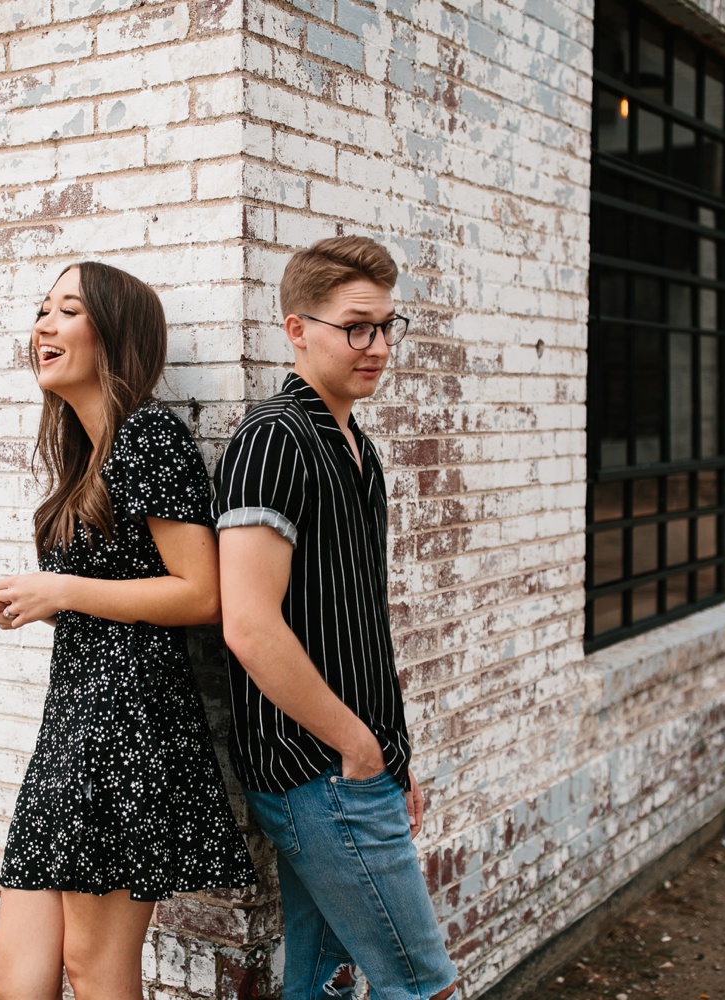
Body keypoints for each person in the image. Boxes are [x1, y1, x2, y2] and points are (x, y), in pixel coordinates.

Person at [0, 261, 255, 1000]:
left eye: (66, 311)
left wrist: (63, 588)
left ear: (114, 334)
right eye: (42, 310)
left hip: (131, 723)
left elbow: (202, 593)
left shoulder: (148, 436)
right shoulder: (82, 458)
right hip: (73, 722)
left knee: (95, 970)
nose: (42, 325)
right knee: (16, 973)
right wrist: (30, 598)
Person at [214, 236, 459, 999]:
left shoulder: (360, 447)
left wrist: (394, 751)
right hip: (316, 771)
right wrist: (358, 747)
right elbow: (249, 625)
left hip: (355, 767)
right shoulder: (272, 441)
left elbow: (357, 621)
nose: (378, 346)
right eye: (357, 326)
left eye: (387, 326)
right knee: (422, 986)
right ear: (297, 330)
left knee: (320, 984)